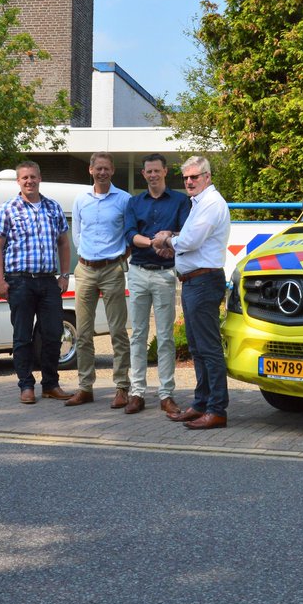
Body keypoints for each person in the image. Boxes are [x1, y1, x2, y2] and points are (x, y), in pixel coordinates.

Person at [151, 155, 231, 429]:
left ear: (207, 177)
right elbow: (188, 240)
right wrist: (173, 241)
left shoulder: (210, 203)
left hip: (204, 281)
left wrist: (166, 240)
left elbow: (191, 240)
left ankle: (217, 409)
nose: (189, 182)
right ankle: (201, 404)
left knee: (208, 349)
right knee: (198, 348)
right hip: (194, 281)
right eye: (186, 178)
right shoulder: (200, 203)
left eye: (194, 177)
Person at [0, 160, 73, 405]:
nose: (29, 181)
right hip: (19, 282)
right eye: (25, 177)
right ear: (18, 181)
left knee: (53, 333)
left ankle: (50, 384)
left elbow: (64, 243)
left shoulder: (53, 207)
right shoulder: (7, 208)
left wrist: (65, 274)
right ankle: (26, 385)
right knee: (23, 337)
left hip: (48, 282)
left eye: (33, 177)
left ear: (40, 178)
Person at [124, 153, 190, 415]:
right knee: (138, 335)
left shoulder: (180, 201)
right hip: (138, 272)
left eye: (156, 171)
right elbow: (129, 235)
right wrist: (154, 241)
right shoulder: (134, 202)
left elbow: (185, 232)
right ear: (143, 174)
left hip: (164, 273)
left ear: (165, 172)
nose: (152, 175)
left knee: (165, 337)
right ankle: (137, 392)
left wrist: (169, 236)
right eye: (148, 172)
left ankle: (166, 394)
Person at [64, 152, 132, 407]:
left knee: (117, 331)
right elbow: (77, 233)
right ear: (90, 170)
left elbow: (130, 234)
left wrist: (117, 257)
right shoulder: (81, 200)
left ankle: (122, 387)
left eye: (106, 168)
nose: (102, 172)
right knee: (82, 332)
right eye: (98, 168)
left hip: (112, 269)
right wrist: (87, 255)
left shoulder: (124, 199)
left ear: (112, 170)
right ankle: (85, 387)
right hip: (85, 270)